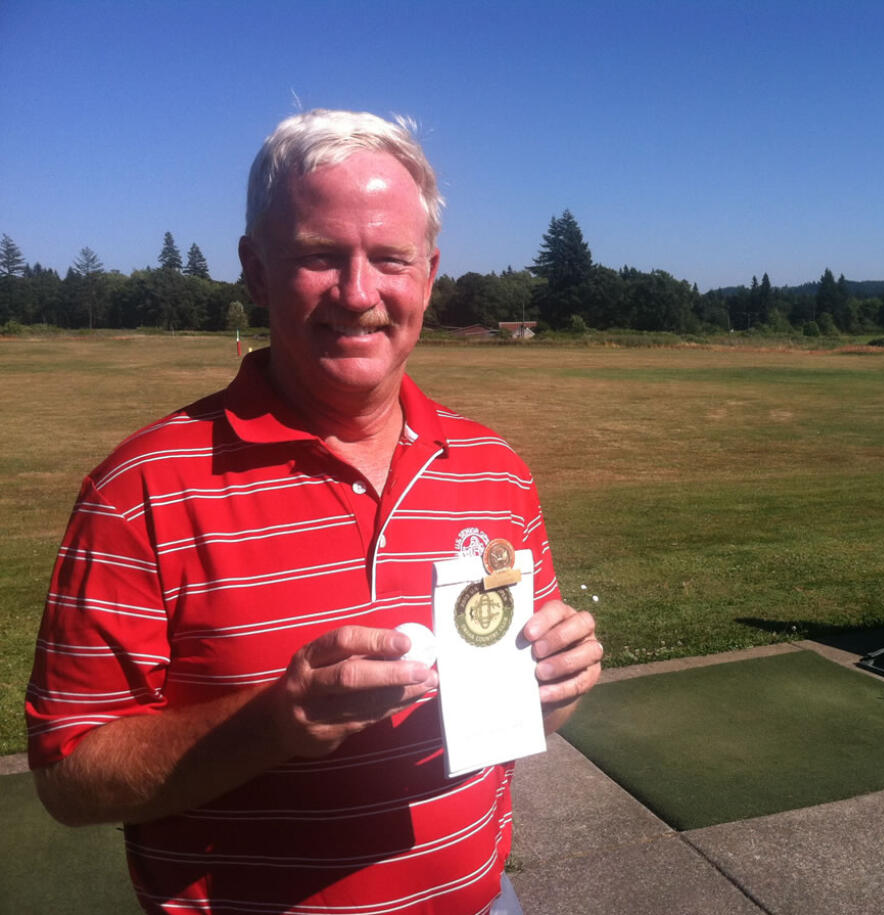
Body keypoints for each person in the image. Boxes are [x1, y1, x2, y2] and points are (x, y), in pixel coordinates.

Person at [26, 108, 603, 914]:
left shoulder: (494, 471)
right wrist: (273, 725)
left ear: (429, 275)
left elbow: (518, 709)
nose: (359, 292)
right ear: (256, 271)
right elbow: (67, 775)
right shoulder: (139, 491)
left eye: (390, 259)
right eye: (319, 257)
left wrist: (557, 685)